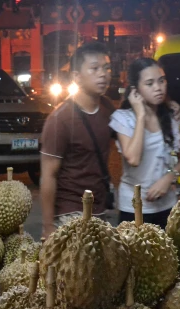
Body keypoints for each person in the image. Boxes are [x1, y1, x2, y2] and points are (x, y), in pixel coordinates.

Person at [40, 41, 115, 238]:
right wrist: (48, 227)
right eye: (94, 69)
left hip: (100, 208)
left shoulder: (108, 109)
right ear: (76, 76)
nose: (103, 74)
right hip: (70, 213)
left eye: (107, 68)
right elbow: (48, 175)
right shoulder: (60, 119)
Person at [111, 58, 180, 227]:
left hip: (167, 206)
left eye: (162, 81)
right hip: (133, 208)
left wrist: (168, 177)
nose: (158, 88)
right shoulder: (123, 119)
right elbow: (133, 159)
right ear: (135, 90)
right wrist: (140, 116)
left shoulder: (171, 116)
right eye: (149, 83)